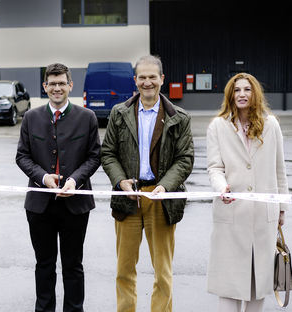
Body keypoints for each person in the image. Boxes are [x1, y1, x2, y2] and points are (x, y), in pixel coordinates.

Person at [101, 55, 194, 312]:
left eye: (153, 77)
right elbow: (107, 153)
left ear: (162, 79)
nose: (147, 82)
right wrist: (121, 182)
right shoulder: (119, 113)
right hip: (127, 196)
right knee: (124, 270)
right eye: (142, 77)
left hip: (161, 198)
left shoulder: (179, 117)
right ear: (135, 80)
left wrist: (165, 186)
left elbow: (185, 159)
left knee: (162, 272)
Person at [16, 63, 101, 312]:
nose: (57, 88)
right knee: (44, 264)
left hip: (75, 205)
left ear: (70, 85)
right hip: (40, 206)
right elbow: (22, 156)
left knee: (73, 265)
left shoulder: (87, 118)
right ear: (44, 87)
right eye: (52, 84)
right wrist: (43, 178)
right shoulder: (31, 117)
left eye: (61, 83)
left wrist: (75, 180)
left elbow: (94, 157)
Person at [206, 73, 288, 312]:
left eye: (247, 89)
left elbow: (279, 168)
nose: (242, 94)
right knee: (228, 284)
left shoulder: (271, 124)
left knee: (258, 282)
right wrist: (221, 187)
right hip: (230, 214)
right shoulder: (218, 126)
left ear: (256, 94)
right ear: (230, 94)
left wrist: (282, 208)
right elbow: (214, 167)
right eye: (237, 89)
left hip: (263, 216)